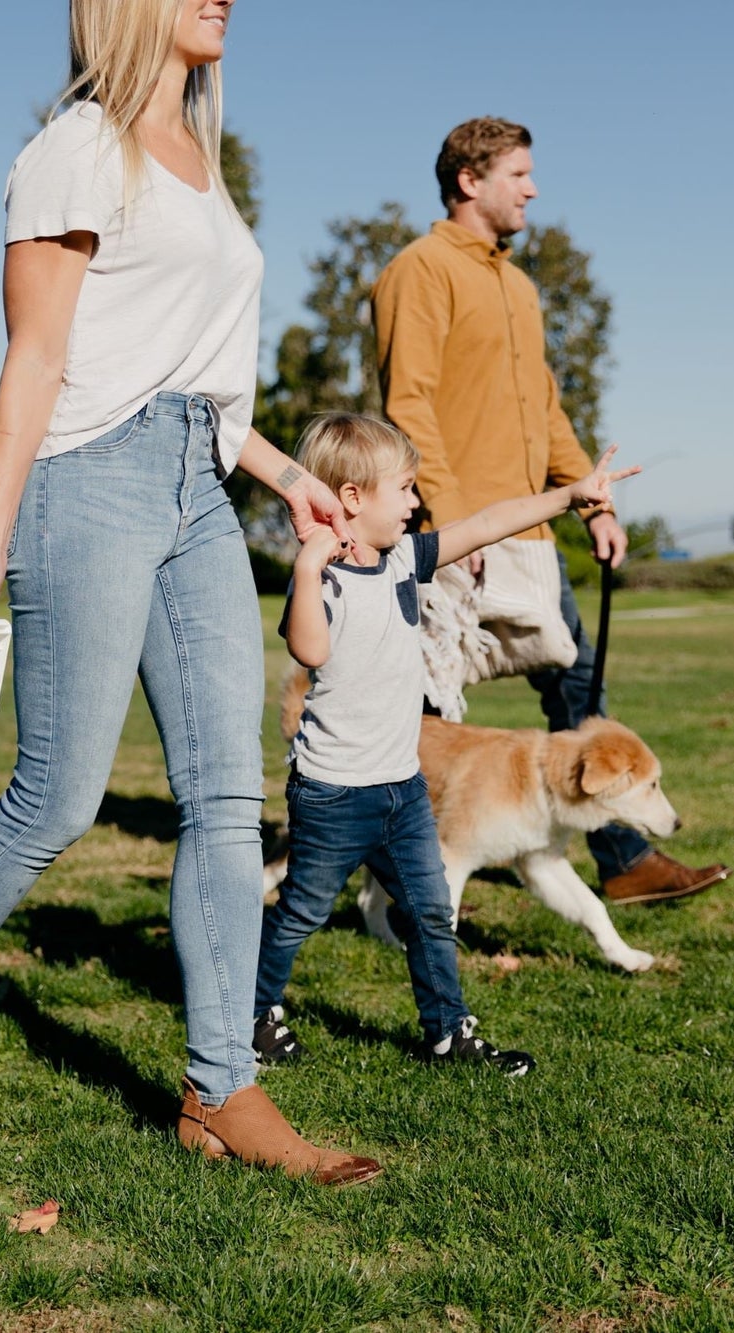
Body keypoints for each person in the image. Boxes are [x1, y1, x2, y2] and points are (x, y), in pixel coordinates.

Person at [0, 0, 378, 1186]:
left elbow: (198, 380)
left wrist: (289, 478)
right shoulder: (74, 150)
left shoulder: (201, 160)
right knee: (57, 797)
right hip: (85, 479)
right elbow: (36, 359)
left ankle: (220, 1089)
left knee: (227, 795)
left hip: (197, 486)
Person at [370, 116, 730, 907]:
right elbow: (409, 406)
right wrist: (452, 523)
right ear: (470, 180)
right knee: (419, 713)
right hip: (450, 537)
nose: (533, 190)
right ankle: (400, 871)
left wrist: (590, 499)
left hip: (532, 532)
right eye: (519, 175)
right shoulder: (419, 270)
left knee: (579, 691)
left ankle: (624, 858)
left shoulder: (519, 288)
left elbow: (545, 408)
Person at [257, 413, 636, 1075]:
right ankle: (253, 1014)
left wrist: (568, 497)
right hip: (333, 794)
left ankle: (447, 1034)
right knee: (301, 912)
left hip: (402, 790)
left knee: (431, 911)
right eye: (405, 489)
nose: (415, 502)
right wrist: (311, 564)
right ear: (352, 498)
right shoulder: (323, 578)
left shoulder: (405, 558)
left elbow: (488, 523)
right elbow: (308, 650)